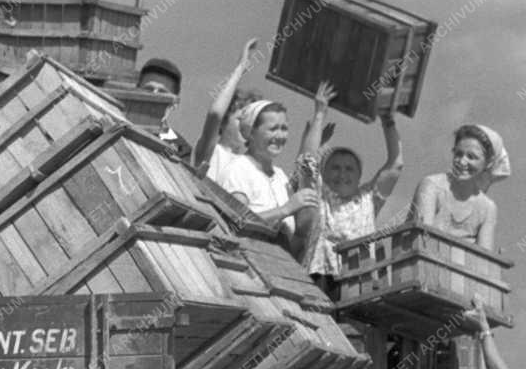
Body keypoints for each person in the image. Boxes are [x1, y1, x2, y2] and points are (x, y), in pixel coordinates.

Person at [296, 84, 403, 288]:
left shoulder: (368, 199)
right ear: (324, 173)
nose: (342, 174)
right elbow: (306, 161)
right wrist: (320, 113)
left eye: (349, 168)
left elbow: (396, 165)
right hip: (319, 279)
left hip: (359, 282)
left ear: (359, 176)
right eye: (335, 168)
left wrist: (387, 120)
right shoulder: (320, 196)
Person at [211, 96, 318, 251]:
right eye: (273, 129)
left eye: (284, 129)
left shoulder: (280, 176)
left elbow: (299, 233)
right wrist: (285, 209)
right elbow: (236, 222)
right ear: (251, 133)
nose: (280, 136)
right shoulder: (238, 169)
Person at [411, 124, 510, 250]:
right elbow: (423, 241)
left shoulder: (487, 208)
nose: (462, 162)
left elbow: (484, 261)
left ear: (488, 163)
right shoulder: (432, 186)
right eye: (458, 154)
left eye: (471, 157)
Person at [193, 38, 260, 180]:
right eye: (240, 119)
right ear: (224, 122)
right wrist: (240, 69)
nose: (246, 125)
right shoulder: (212, 151)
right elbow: (215, 114)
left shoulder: (250, 168)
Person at [136, 56, 193, 161]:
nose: (153, 97)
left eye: (162, 92)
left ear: (175, 103)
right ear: (135, 92)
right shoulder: (115, 125)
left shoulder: (182, 150)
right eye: (148, 89)